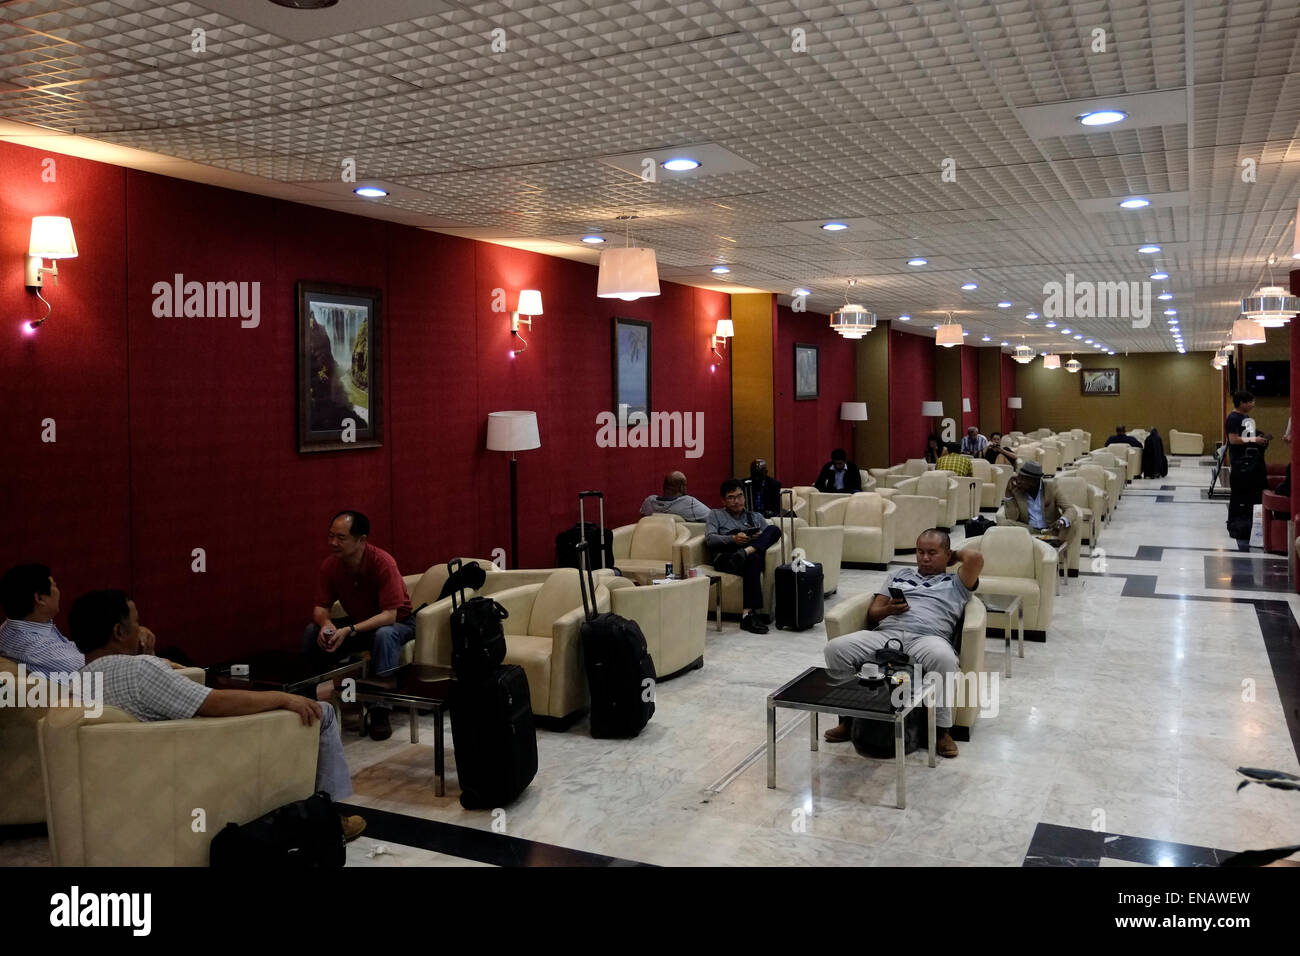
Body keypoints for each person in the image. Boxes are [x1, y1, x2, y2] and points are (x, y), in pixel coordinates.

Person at [71, 589, 364, 841]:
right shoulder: (140, 670)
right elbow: (216, 703)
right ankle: (328, 819)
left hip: (142, 782)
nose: (142, 629)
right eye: (137, 623)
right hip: (200, 762)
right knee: (321, 711)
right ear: (119, 632)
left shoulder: (75, 683)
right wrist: (282, 698)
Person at [822, 529, 983, 758]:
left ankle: (940, 730)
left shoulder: (956, 582)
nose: (924, 558)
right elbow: (874, 612)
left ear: (947, 555)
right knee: (835, 649)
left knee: (945, 659)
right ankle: (848, 719)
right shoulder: (899, 575)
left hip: (928, 637)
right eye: (919, 552)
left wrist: (951, 556)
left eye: (932, 553)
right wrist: (889, 609)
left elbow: (975, 558)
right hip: (888, 633)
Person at [303, 510, 413, 740]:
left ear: (361, 539)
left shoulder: (382, 563)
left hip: (399, 624)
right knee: (312, 631)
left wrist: (350, 630)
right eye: (331, 536)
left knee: (383, 635)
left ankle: (379, 710)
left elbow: (389, 616)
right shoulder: (330, 566)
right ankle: (306, 701)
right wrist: (326, 625)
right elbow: (320, 608)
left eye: (340, 538)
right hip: (359, 622)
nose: (333, 543)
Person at [0, 563, 174, 678]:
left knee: (172, 652)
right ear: (40, 598)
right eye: (54, 585)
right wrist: (146, 655)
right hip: (103, 695)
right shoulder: (35, 648)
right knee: (171, 660)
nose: (58, 591)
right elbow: (100, 666)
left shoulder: (12, 627)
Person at [705, 479, 783, 634]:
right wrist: (732, 539)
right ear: (723, 500)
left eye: (740, 496)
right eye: (731, 497)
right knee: (755, 559)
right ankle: (749, 615)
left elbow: (771, 535)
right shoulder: (715, 515)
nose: (736, 501)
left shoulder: (754, 517)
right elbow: (710, 539)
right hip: (727, 557)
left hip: (747, 555)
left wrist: (757, 540)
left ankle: (747, 614)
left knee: (774, 529)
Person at [1001, 461, 1081, 558]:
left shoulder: (1051, 487)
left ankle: (1058, 554)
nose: (1018, 480)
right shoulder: (1017, 490)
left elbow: (1070, 509)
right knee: (1004, 524)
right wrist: (1009, 492)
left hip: (1051, 529)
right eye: (1019, 476)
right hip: (1029, 528)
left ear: (1034, 481)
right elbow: (1011, 517)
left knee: (1071, 524)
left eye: (1023, 478)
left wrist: (1062, 521)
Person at [1225, 390, 1271, 551]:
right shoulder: (1233, 418)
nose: (1253, 404)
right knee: (1239, 496)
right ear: (1242, 403)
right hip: (1240, 464)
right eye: (1250, 401)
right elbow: (1233, 439)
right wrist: (1254, 439)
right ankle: (1237, 524)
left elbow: (1248, 438)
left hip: (1252, 463)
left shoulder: (1247, 419)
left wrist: (1258, 440)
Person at [640, 471, 710, 520]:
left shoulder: (648, 502)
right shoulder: (689, 503)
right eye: (685, 485)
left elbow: (643, 519)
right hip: (682, 539)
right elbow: (713, 518)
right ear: (682, 487)